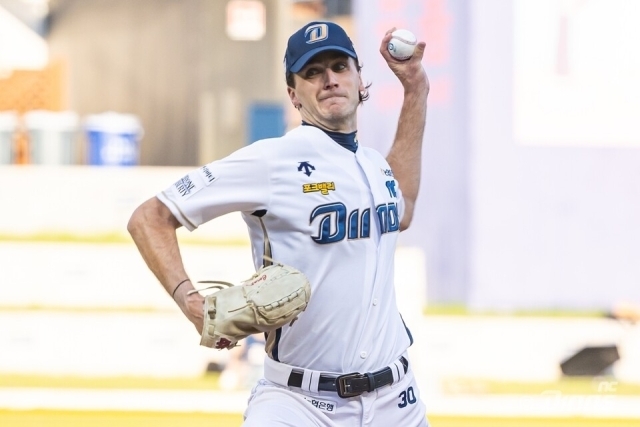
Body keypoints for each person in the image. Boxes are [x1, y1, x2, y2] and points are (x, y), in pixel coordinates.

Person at [128, 20, 430, 427]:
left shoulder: (374, 164)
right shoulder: (271, 160)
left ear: (360, 79)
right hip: (299, 402)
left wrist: (415, 89)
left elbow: (403, 208)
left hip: (396, 401)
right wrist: (190, 301)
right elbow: (149, 217)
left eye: (340, 66)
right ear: (293, 94)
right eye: (312, 72)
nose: (329, 79)